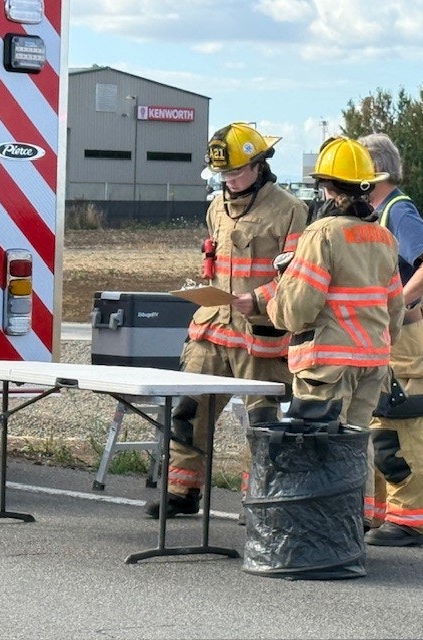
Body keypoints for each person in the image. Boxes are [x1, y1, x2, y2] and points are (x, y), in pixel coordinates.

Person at [144, 121, 308, 519]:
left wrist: (261, 298)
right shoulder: (216, 206)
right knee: (187, 412)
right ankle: (182, 490)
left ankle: (260, 499)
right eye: (223, 174)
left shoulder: (291, 209)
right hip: (212, 325)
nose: (230, 181)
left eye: (236, 172)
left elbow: (297, 275)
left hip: (260, 331)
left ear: (259, 165)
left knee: (262, 421)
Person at [266, 137, 404, 460]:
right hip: (373, 363)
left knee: (323, 450)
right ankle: (362, 512)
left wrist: (277, 298)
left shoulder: (322, 233)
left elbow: (297, 310)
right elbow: (394, 313)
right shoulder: (385, 239)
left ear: (327, 188)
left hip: (328, 367)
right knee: (357, 448)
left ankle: (330, 513)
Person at [358, 132, 423, 546]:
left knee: (399, 423)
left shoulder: (396, 210)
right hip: (383, 331)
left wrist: (399, 300)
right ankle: (382, 513)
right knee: (377, 421)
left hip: (400, 333)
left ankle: (411, 520)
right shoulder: (378, 212)